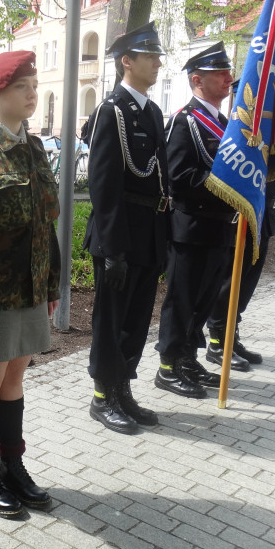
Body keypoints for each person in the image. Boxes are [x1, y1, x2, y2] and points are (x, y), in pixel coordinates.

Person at [0, 50, 60, 518]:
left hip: (30, 285)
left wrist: (52, 285)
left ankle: (13, 464)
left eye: (34, 85)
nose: (32, 94)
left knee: (15, 377)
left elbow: (47, 221)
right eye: (22, 87)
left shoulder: (36, 148)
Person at [82, 22, 169, 434]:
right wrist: (113, 249)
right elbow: (103, 185)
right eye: (149, 56)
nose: (156, 63)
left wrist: (163, 238)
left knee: (136, 318)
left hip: (148, 231)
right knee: (112, 317)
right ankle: (103, 396)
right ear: (126, 61)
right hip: (119, 234)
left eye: (157, 56)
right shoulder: (111, 111)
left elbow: (159, 178)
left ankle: (123, 388)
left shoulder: (151, 112)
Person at [153, 42, 239, 398]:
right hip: (191, 228)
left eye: (227, 73)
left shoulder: (223, 122)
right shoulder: (185, 121)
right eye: (219, 74)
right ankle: (168, 366)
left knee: (203, 301)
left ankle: (187, 358)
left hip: (218, 228)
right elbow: (180, 175)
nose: (228, 79)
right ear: (196, 80)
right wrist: (224, 186)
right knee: (183, 300)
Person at [207, 177, 275, 367]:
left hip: (263, 214)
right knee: (230, 284)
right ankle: (217, 343)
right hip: (243, 217)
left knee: (246, 286)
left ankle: (231, 338)